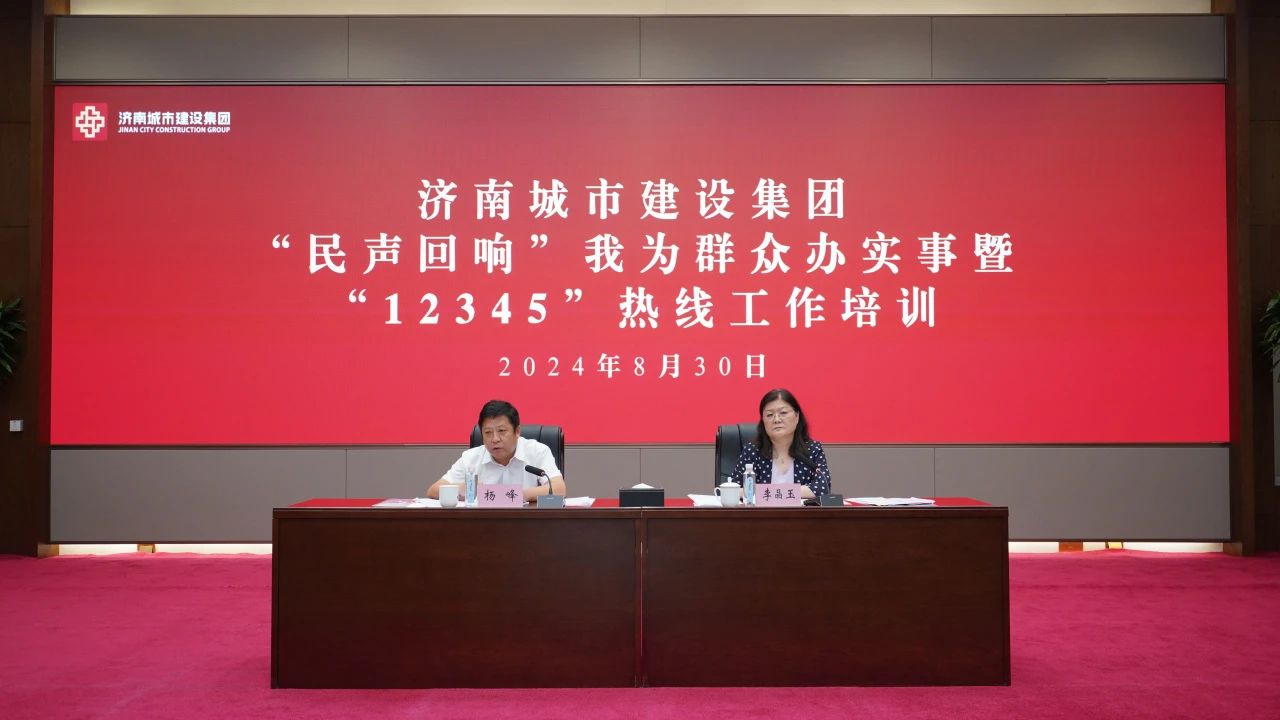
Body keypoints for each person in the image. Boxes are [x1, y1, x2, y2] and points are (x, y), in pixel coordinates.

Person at [428, 399, 565, 503]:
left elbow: (559, 489)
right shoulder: (471, 457)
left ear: (517, 431)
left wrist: (518, 495)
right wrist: (464, 489)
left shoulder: (537, 451)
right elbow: (433, 490)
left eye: (502, 431)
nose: (495, 439)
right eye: (488, 432)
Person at [729, 388, 831, 499]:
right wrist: (793, 493)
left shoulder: (812, 450)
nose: (776, 420)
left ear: (797, 416)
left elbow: (823, 488)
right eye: (769, 415)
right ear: (763, 421)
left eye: (783, 413)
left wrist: (767, 493)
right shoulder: (752, 451)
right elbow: (732, 490)